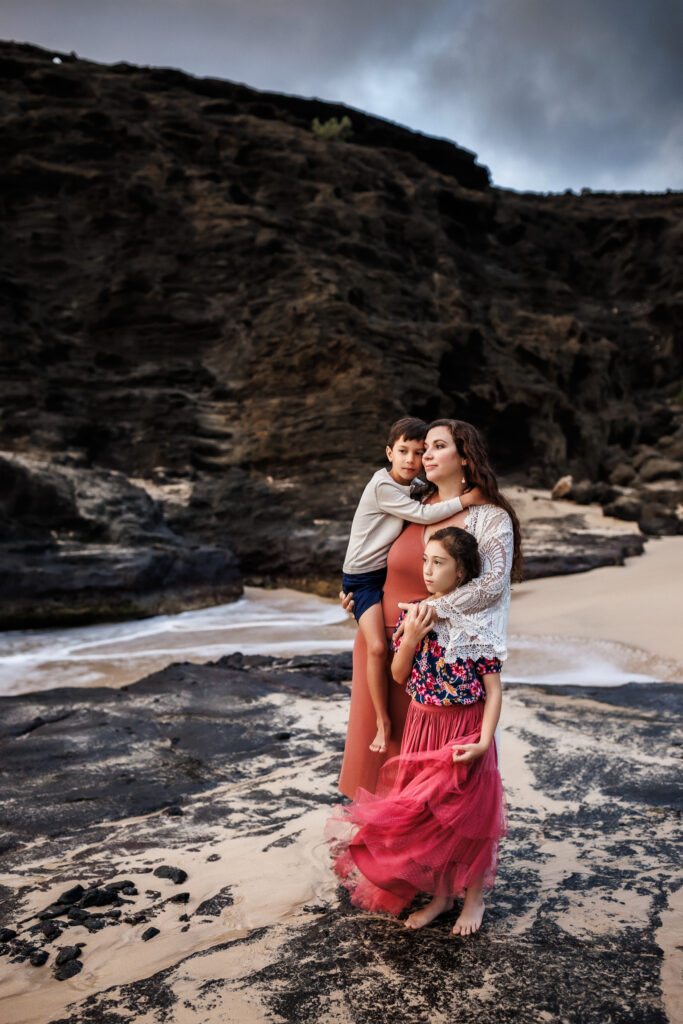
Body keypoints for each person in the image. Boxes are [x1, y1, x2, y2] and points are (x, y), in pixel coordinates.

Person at [328, 527, 508, 936]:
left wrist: (483, 742)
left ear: (461, 572)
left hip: (464, 726)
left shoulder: (476, 624)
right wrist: (408, 639)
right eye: (425, 560)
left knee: (468, 817)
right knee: (429, 816)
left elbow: (494, 691)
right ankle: (442, 897)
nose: (427, 570)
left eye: (439, 563)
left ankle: (474, 898)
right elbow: (397, 674)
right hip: (422, 725)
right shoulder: (414, 613)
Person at [338, 417, 522, 802]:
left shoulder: (489, 516)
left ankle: (423, 855)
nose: (425, 456)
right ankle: (379, 846)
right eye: (424, 449)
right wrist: (355, 595)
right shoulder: (413, 503)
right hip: (379, 644)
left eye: (437, 447)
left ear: (466, 457)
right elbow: (370, 553)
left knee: (427, 770)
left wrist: (428, 614)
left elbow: (491, 586)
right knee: (375, 756)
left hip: (437, 657)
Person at [341, 416, 484, 754]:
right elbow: (420, 516)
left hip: (417, 637)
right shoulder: (385, 487)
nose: (412, 459)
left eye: (419, 452)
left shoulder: (416, 489)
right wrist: (465, 500)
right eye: (403, 451)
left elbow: (483, 588)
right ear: (388, 452)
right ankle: (381, 721)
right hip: (364, 583)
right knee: (377, 649)